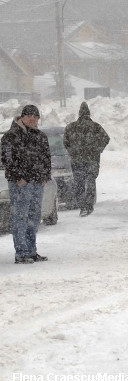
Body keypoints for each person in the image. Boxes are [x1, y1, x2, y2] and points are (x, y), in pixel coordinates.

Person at [1, 105, 51, 264]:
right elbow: (6, 159)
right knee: (20, 218)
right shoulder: (11, 136)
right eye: (29, 115)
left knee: (34, 218)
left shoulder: (41, 136)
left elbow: (46, 158)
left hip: (37, 182)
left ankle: (31, 251)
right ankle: (21, 253)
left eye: (35, 116)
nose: (32, 119)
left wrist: (45, 176)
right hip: (21, 183)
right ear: (22, 117)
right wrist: (18, 177)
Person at [64, 101, 110, 217]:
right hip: (92, 160)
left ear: (79, 114)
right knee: (90, 182)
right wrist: (98, 149)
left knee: (79, 183)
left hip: (77, 161)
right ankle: (89, 205)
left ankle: (82, 206)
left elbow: (65, 142)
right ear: (89, 114)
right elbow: (106, 138)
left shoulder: (70, 127)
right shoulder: (95, 126)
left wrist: (73, 151)